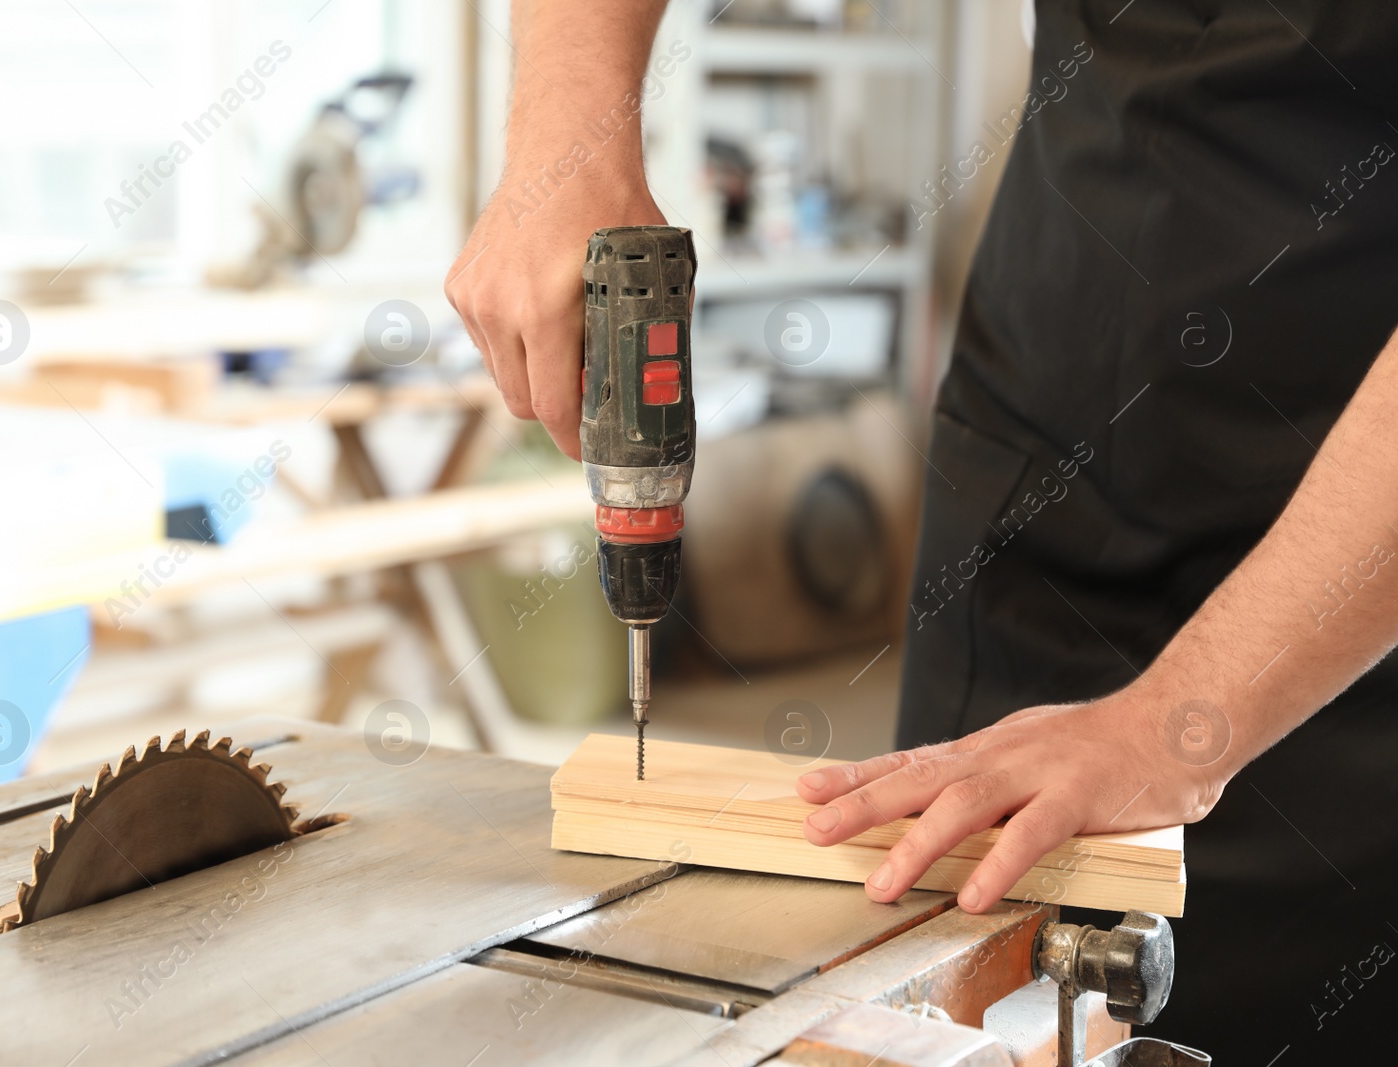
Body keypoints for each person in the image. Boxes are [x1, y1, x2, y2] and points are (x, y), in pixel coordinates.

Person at [446, 2, 1398, 1058]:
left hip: (1353, 601)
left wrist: (1183, 714)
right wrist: (565, 144)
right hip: (1040, 453)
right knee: (940, 988)